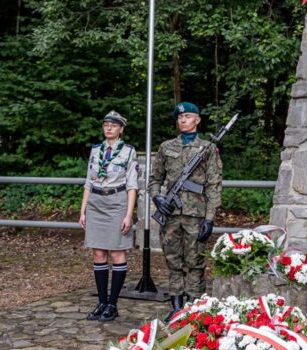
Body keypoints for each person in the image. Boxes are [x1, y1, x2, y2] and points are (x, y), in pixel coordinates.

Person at [149, 101, 222, 315]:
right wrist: (157, 198)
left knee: (195, 262)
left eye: (188, 116)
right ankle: (176, 308)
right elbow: (155, 179)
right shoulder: (166, 147)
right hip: (170, 214)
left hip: (195, 215)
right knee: (173, 261)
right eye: (180, 117)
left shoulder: (208, 148)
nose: (183, 120)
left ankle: (193, 308)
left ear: (197, 120)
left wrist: (209, 218)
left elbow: (213, 184)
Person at [79, 111, 139, 322]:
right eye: (106, 125)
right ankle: (102, 302)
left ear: (121, 129)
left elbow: (132, 185)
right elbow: (88, 181)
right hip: (96, 202)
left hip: (116, 202)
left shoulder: (128, 152)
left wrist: (128, 214)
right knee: (98, 254)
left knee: (116, 253)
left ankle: (113, 304)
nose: (109, 128)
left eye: (114, 125)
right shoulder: (96, 151)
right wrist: (83, 210)